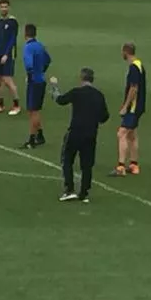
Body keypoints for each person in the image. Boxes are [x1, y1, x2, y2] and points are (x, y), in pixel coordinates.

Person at [48, 68, 110, 202]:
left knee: (67, 160)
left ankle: (69, 189)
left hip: (75, 132)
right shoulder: (99, 95)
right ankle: (84, 193)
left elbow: (60, 100)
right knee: (87, 164)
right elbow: (104, 117)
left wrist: (54, 86)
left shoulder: (76, 92)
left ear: (81, 78)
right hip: (91, 133)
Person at [109, 42, 147, 177]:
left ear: (126, 52)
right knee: (132, 135)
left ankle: (120, 167)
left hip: (133, 107)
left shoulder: (134, 68)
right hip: (139, 106)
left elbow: (134, 88)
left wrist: (125, 106)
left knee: (122, 133)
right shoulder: (139, 65)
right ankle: (134, 164)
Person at [20, 23, 52, 149]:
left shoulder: (28, 47)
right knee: (33, 110)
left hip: (34, 82)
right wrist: (42, 71)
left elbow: (29, 65)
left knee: (33, 111)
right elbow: (48, 60)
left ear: (25, 34)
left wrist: (30, 76)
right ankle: (40, 135)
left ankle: (32, 140)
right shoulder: (40, 46)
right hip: (41, 80)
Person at [0, 0, 21, 115]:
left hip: (7, 55)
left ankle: (17, 105)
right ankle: (0, 105)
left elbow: (12, 39)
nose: (4, 9)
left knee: (7, 79)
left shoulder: (13, 22)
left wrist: (6, 54)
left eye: (6, 7)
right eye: (2, 7)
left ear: (9, 8)